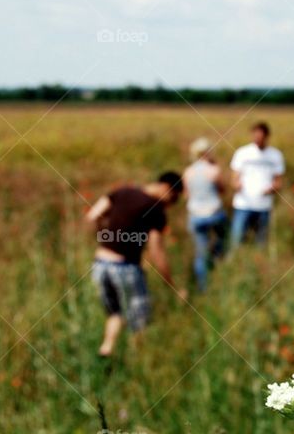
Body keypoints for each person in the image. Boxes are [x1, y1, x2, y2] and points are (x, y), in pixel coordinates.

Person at [85, 171, 186, 357]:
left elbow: (92, 216)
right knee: (139, 322)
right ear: (167, 189)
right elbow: (157, 251)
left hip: (100, 264)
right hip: (126, 268)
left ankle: (106, 352)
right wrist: (172, 285)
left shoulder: (123, 191)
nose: (170, 205)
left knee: (114, 313)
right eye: (174, 199)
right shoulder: (156, 210)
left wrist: (106, 236)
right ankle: (138, 364)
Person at [183, 137, 228, 292]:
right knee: (222, 242)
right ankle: (219, 268)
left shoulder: (188, 171)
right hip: (214, 213)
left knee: (200, 254)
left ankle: (203, 287)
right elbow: (223, 190)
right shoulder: (213, 170)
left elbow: (186, 195)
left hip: (196, 215)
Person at [229, 121, 285, 247]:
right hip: (243, 204)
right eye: (255, 136)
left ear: (267, 136)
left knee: (261, 241)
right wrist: (236, 184)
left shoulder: (275, 155)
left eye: (260, 137)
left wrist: (273, 188)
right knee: (236, 239)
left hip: (264, 205)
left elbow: (278, 181)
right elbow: (234, 177)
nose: (257, 139)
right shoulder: (242, 153)